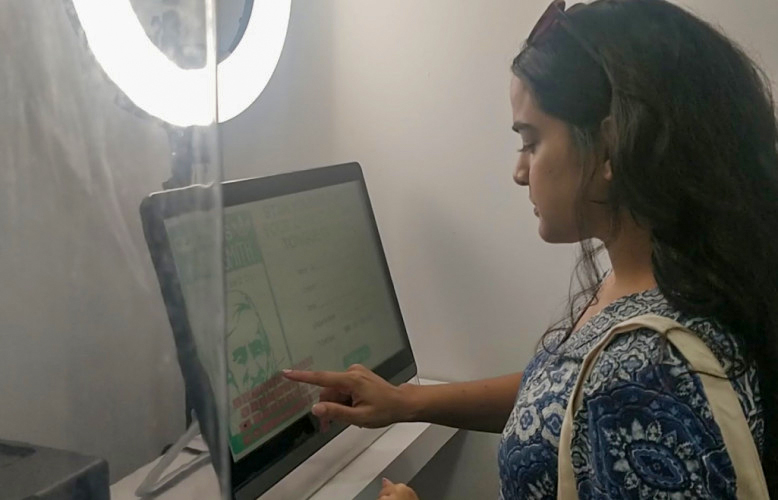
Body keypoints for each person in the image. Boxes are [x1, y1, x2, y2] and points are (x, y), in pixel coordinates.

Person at [284, 0, 778, 497]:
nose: (520, 172)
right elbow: (562, 400)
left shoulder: (646, 373)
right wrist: (409, 402)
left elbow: (606, 393)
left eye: (531, 141)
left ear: (609, 147)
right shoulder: (668, 282)